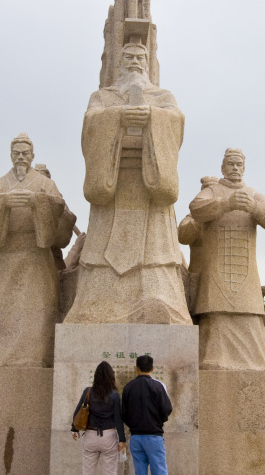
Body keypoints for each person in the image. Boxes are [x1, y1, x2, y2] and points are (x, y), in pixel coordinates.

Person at [63, 42, 191, 325]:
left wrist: (153, 117)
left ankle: (161, 305)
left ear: (148, 64)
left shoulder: (162, 96)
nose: (135, 62)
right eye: (129, 57)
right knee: (101, 259)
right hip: (113, 186)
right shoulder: (103, 97)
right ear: (119, 64)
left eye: (140, 58)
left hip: (150, 191)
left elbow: (176, 122)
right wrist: (117, 117)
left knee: (155, 255)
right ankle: (96, 309)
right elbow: (90, 125)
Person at [0, 133, 76, 367]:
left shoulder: (45, 185)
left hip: (36, 258)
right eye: (16, 153)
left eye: (25, 153)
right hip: (4, 257)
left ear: (32, 156)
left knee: (37, 313)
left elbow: (58, 207)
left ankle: (34, 358)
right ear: (11, 156)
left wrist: (37, 201)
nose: (21, 157)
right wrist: (3, 202)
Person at [185, 148, 265, 370]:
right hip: (217, 271)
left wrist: (254, 207)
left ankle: (256, 365)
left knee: (251, 318)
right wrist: (226, 203)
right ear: (223, 167)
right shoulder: (213, 191)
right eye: (231, 164)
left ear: (244, 168)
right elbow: (195, 209)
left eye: (239, 164)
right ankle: (215, 361)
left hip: (245, 272)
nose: (235, 168)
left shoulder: (252, 193)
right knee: (217, 316)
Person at [121, 354, 182, 475]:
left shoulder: (128, 387)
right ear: (152, 368)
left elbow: (124, 413)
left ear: (136, 368)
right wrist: (157, 421)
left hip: (136, 437)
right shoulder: (157, 386)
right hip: (154, 436)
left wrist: (134, 424)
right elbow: (167, 409)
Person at [71, 361, 126, 475]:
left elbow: (77, 412)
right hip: (109, 436)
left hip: (90, 436)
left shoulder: (88, 391)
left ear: (96, 376)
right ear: (111, 377)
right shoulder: (115, 395)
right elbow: (118, 419)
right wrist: (122, 440)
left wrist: (74, 429)